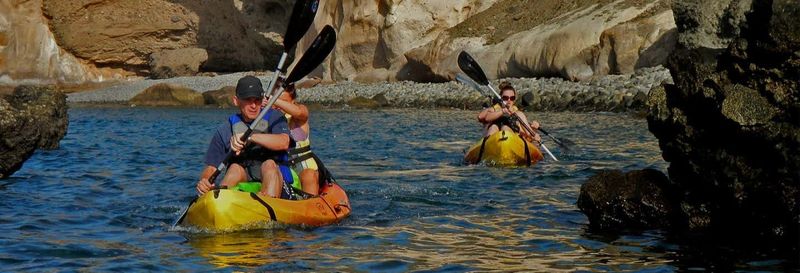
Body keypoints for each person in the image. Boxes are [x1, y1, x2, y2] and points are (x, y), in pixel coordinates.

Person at [196, 75, 296, 198]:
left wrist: (249, 137)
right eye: (248, 100)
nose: (253, 105)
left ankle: (268, 204)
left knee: (269, 164)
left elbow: (284, 142)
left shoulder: (275, 117)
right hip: (244, 174)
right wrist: (205, 181)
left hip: (274, 176)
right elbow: (211, 167)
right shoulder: (225, 130)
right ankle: (220, 200)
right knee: (234, 168)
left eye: (257, 100)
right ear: (236, 101)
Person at [271, 78, 321, 196]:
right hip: (281, 168)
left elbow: (300, 113)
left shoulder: (298, 116)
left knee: (308, 175)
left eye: (283, 101)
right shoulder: (267, 118)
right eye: (275, 101)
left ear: (293, 101)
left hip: (303, 168)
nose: (278, 106)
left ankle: (311, 205)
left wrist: (274, 101)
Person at [477, 82, 542, 144]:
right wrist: (503, 111)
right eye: (505, 98)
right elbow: (485, 118)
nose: (509, 101)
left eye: (512, 98)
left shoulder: (518, 113)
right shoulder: (495, 110)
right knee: (493, 127)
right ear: (500, 98)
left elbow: (528, 133)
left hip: (510, 140)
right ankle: (488, 147)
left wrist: (534, 133)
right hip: (493, 141)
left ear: (514, 99)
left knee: (505, 128)